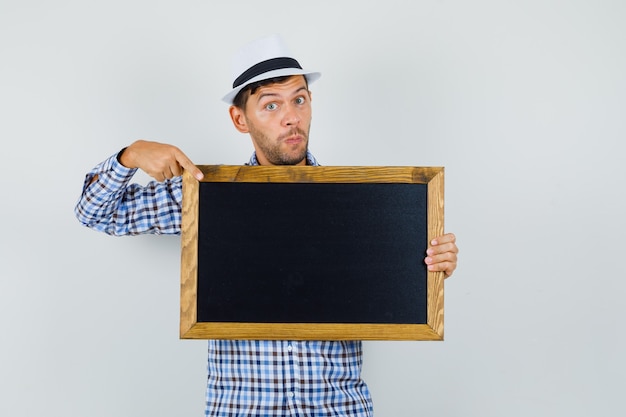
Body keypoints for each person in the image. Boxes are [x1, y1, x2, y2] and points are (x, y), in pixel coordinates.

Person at [75, 34, 459, 417]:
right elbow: (94, 212)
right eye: (270, 105)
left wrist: (430, 265)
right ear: (240, 119)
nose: (291, 117)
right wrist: (130, 154)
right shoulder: (204, 198)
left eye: (299, 100)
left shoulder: (359, 202)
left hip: (338, 409)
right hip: (242, 408)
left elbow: (398, 279)